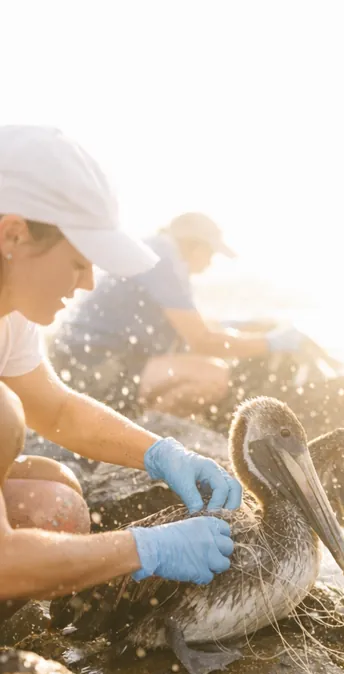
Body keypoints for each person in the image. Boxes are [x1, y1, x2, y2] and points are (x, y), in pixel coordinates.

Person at [0, 124, 241, 617]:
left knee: (55, 503)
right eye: (77, 262)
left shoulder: (11, 314)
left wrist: (161, 453)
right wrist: (145, 547)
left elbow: (58, 409)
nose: (89, 282)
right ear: (13, 233)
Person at [51, 211, 310, 419]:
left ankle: (143, 420)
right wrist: (272, 343)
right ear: (196, 247)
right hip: (92, 365)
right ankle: (147, 431)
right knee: (215, 377)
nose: (210, 263)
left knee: (199, 364)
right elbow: (202, 340)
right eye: (210, 254)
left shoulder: (155, 249)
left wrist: (245, 327)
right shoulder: (164, 258)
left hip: (81, 359)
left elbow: (192, 326)